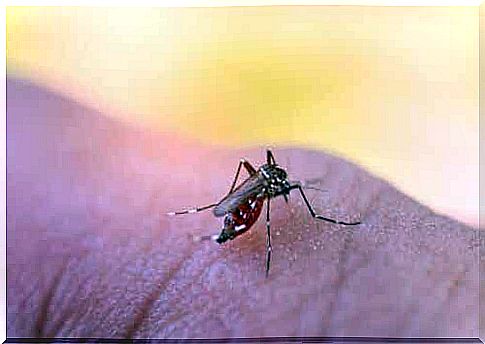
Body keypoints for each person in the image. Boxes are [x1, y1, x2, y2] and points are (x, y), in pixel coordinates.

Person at [6, 77, 479, 339]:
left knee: (264, 188)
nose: (291, 190)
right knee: (259, 197)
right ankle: (222, 210)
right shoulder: (271, 189)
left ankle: (226, 210)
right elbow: (268, 193)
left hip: (249, 197)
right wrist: (237, 206)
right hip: (241, 205)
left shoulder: (279, 179)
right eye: (289, 186)